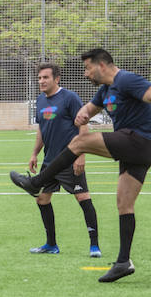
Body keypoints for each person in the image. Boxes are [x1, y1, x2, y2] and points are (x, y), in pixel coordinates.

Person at [9, 47, 151, 282]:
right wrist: (83, 113)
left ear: (102, 65)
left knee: (80, 141)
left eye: (87, 68)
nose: (85, 74)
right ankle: (124, 262)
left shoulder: (127, 80)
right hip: (133, 153)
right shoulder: (104, 91)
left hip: (141, 142)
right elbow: (89, 109)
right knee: (124, 204)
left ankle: (36, 183)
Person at [27, 62, 101, 257]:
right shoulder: (40, 101)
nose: (41, 81)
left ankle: (95, 246)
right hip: (49, 161)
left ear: (56, 79)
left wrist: (81, 155)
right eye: (40, 78)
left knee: (82, 197)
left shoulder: (70, 98)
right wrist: (35, 153)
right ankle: (51, 244)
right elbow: (41, 130)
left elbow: (83, 126)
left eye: (45, 77)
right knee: (42, 199)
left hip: (70, 159)